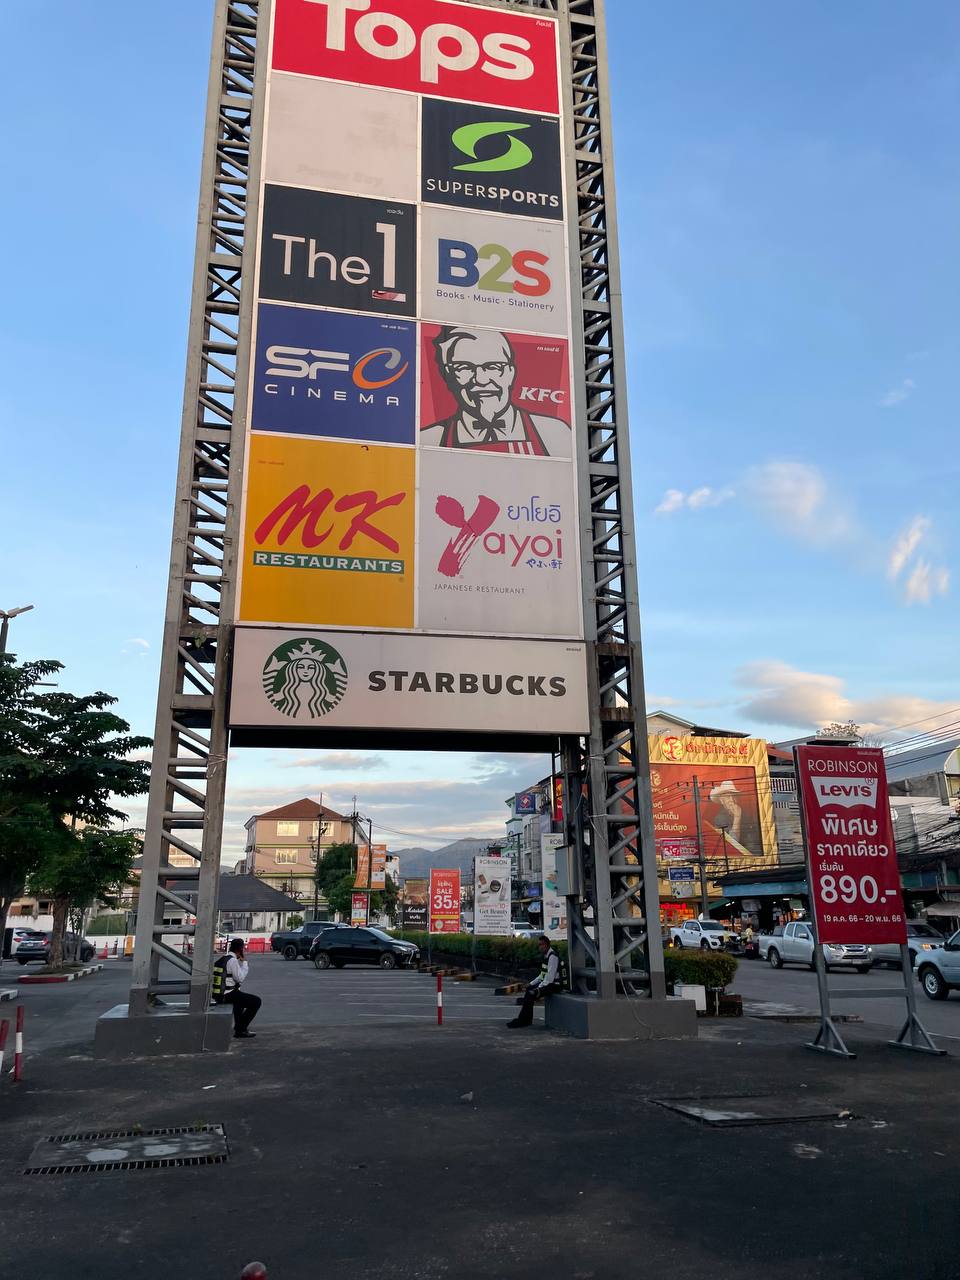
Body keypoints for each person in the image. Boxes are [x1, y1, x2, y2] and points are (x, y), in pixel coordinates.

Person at [421, 326, 571, 457]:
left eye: (493, 367)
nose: (481, 379)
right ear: (449, 375)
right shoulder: (429, 438)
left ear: (510, 372)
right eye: (464, 367)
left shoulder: (553, 432)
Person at [506, 934, 564, 1028]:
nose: (540, 947)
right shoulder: (546, 956)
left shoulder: (553, 957)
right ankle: (525, 1019)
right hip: (548, 984)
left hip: (555, 985)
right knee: (529, 990)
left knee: (531, 993)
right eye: (539, 945)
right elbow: (542, 976)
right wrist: (531, 984)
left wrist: (538, 988)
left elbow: (549, 978)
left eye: (542, 944)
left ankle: (524, 1021)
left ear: (547, 945)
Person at [224, 938, 262, 1040]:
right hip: (227, 994)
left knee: (239, 1002)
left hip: (221, 993)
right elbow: (239, 978)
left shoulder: (224, 958)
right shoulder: (232, 961)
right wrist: (244, 963)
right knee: (256, 1001)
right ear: (240, 950)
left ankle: (239, 1030)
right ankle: (241, 1028)